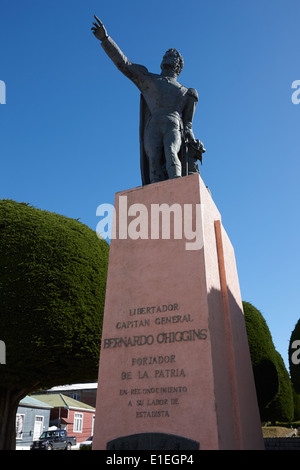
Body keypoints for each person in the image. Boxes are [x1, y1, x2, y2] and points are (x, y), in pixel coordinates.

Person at [92, 16, 204, 184]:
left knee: (172, 153)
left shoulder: (187, 92)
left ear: (178, 64)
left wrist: (194, 141)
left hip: (173, 123)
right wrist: (105, 40)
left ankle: (178, 190)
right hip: (153, 124)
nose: (166, 56)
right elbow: (124, 64)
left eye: (171, 55)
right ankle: (156, 198)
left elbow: (188, 124)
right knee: (153, 161)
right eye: (165, 54)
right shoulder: (148, 79)